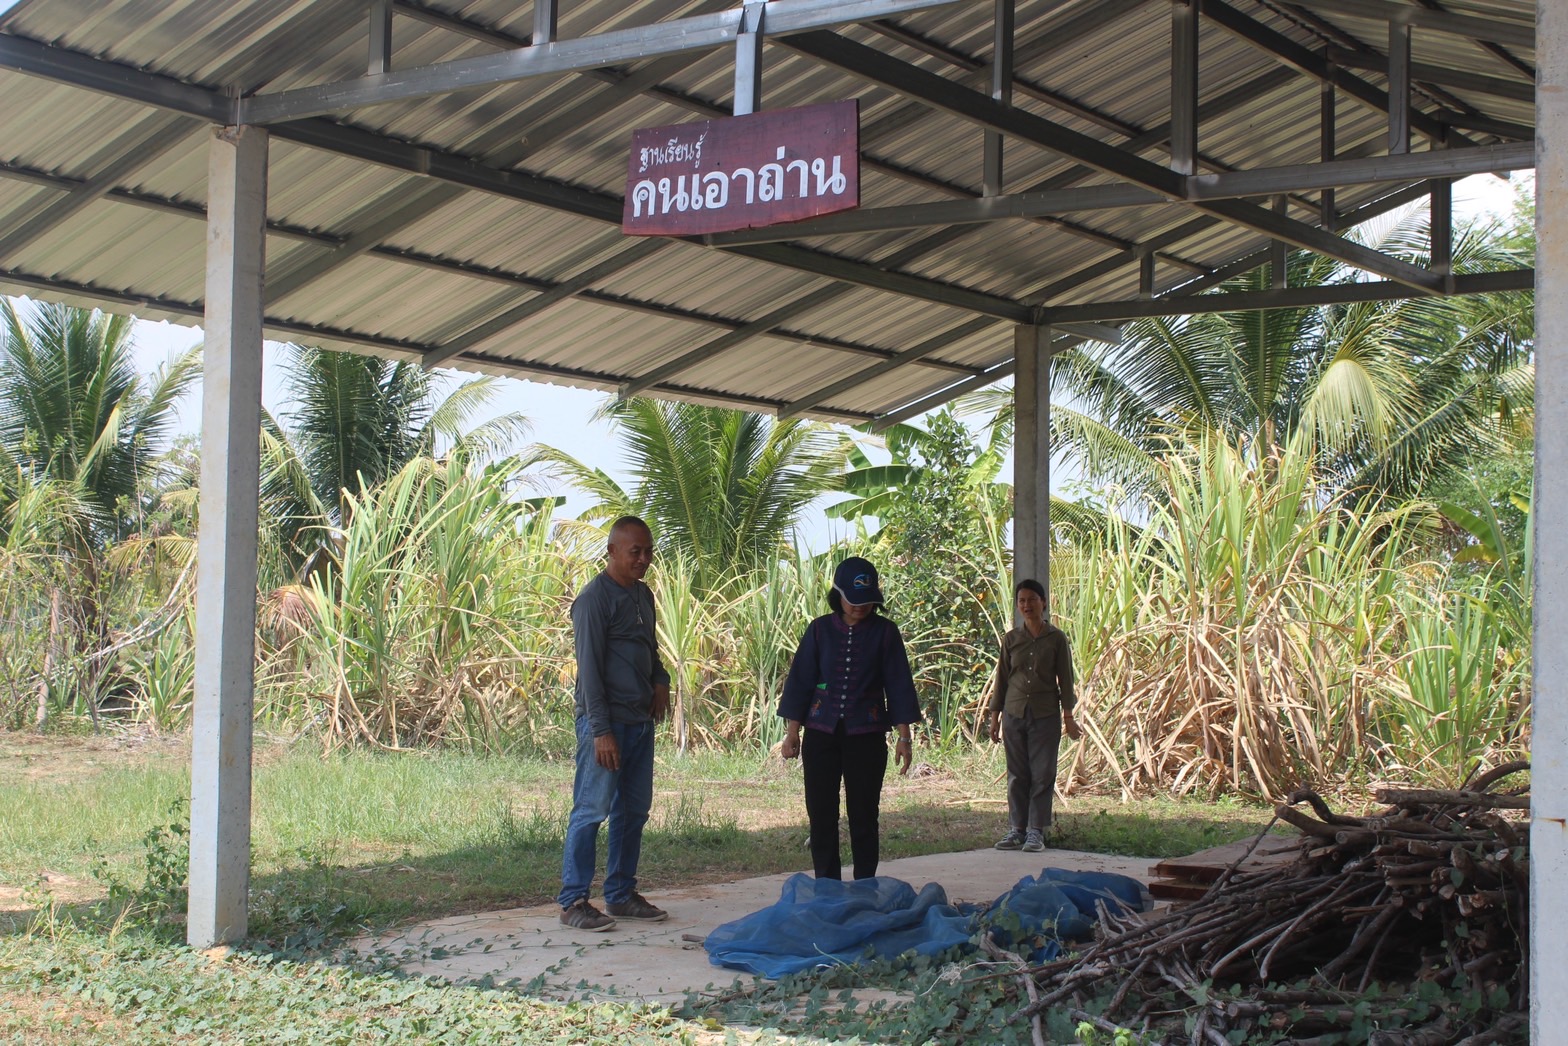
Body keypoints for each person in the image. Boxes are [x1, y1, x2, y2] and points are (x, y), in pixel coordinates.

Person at [558, 515, 671, 932]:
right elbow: (588, 672)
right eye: (634, 552)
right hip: (605, 725)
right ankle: (573, 901)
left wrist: (661, 680)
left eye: (648, 552)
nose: (643, 560)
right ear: (612, 552)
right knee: (591, 810)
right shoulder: (593, 600)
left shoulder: (643, 596)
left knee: (633, 811)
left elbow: (651, 651)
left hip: (640, 723)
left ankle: (621, 894)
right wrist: (601, 731)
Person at [778, 556, 922, 880]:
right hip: (820, 735)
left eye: (867, 602)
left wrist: (904, 738)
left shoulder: (886, 633)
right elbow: (801, 682)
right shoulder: (819, 630)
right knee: (821, 815)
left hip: (867, 737)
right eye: (853, 601)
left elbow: (898, 685)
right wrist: (792, 733)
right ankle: (826, 887)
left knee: (864, 815)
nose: (859, 608)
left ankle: (864, 886)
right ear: (837, 594)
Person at [988, 578, 1081, 854]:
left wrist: (1069, 717)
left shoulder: (1056, 639)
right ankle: (1017, 829)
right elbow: (1002, 680)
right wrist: (994, 717)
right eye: (1022, 601)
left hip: (1045, 715)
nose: (1026, 605)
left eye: (1032, 600)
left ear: (1043, 602)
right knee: (1017, 774)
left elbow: (1065, 679)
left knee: (1043, 773)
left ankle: (1035, 832)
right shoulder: (1011, 639)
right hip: (1014, 713)